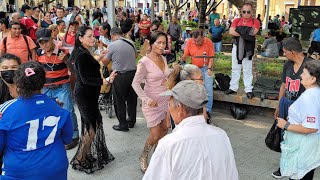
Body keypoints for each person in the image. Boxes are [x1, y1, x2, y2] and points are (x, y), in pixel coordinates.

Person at [143, 80, 239, 180]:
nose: (168, 110)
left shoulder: (169, 144)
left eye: (169, 105)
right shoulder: (221, 136)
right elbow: (232, 175)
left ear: (179, 109)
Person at [0, 61, 73, 179]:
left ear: (17, 84)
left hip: (19, 172)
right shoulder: (58, 107)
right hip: (56, 167)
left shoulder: (5, 110)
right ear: (43, 83)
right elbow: (67, 138)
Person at [69, 25, 115, 174]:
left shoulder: (83, 51)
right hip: (85, 95)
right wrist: (107, 80)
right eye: (88, 36)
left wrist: (99, 57)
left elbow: (88, 65)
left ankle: (85, 154)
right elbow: (86, 78)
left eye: (93, 36)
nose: (92, 38)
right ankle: (80, 158)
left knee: (91, 126)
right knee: (91, 128)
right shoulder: (81, 54)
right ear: (80, 38)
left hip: (88, 94)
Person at [271, 37, 312, 179]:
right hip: (286, 103)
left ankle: (301, 166)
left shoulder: (310, 66)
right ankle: (285, 166)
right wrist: (279, 104)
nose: (284, 54)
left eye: (285, 52)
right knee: (285, 137)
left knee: (299, 137)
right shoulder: (288, 65)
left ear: (293, 52)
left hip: (301, 107)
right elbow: (284, 84)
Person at [132, 31, 170, 173]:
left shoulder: (164, 59)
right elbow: (135, 84)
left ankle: (157, 157)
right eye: (158, 42)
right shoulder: (144, 62)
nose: (161, 46)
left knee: (165, 129)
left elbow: (164, 76)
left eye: (164, 43)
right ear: (152, 43)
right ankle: (144, 156)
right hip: (151, 102)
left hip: (165, 100)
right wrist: (146, 100)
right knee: (155, 135)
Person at [35, 28, 80, 150]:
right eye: (41, 43)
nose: (44, 45)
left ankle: (74, 136)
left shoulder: (63, 52)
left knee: (68, 111)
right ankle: (54, 135)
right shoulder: (39, 53)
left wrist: (66, 61)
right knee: (48, 113)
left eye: (46, 41)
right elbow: (39, 70)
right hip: (46, 88)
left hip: (62, 87)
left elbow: (74, 71)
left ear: (52, 39)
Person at [276, 60, 320, 180]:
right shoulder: (315, 93)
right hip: (307, 148)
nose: (301, 75)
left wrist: (285, 125)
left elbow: (311, 127)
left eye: (304, 73)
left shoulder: (310, 97)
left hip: (304, 149)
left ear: (313, 79)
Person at [102, 27, 138, 132]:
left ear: (112, 36)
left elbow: (105, 62)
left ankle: (123, 124)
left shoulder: (112, 45)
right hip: (133, 74)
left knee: (119, 100)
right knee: (132, 99)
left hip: (119, 75)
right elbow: (135, 56)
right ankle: (131, 121)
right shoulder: (131, 43)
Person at [225, 3, 260, 99]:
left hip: (248, 48)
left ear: (251, 12)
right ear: (241, 12)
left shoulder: (255, 21)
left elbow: (253, 32)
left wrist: (239, 32)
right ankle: (233, 87)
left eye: (248, 12)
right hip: (237, 46)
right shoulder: (236, 20)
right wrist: (245, 34)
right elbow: (231, 31)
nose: (246, 14)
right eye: (244, 11)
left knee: (247, 69)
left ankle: (248, 89)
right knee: (235, 68)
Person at [180, 29, 214, 123]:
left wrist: (210, 69)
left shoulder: (208, 42)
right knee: (193, 89)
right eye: (194, 41)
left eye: (198, 41)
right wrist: (183, 58)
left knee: (208, 89)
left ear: (203, 37)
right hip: (194, 68)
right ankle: (195, 109)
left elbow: (211, 58)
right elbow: (186, 54)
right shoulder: (190, 41)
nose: (196, 42)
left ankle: (207, 111)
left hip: (206, 67)